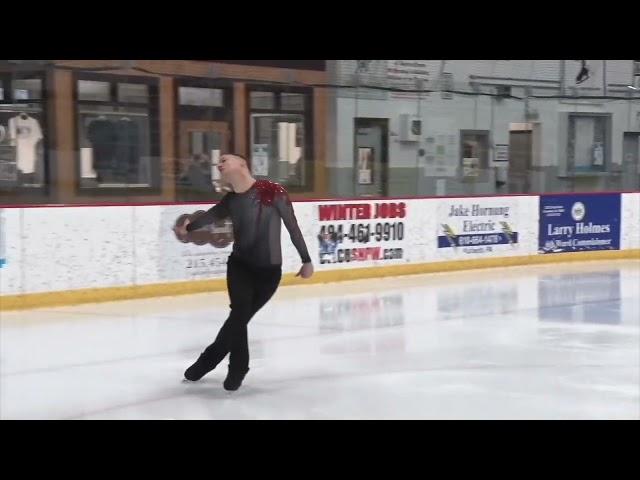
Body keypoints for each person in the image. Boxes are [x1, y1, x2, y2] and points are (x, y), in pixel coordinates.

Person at [173, 153, 314, 391]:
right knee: (239, 314)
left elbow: (292, 226)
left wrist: (306, 260)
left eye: (224, 160)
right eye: (218, 163)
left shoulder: (272, 192)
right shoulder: (230, 200)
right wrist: (189, 227)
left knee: (239, 319)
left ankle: (213, 361)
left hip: (268, 273)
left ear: (242, 164)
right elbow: (209, 217)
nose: (219, 164)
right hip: (239, 266)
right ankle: (237, 367)